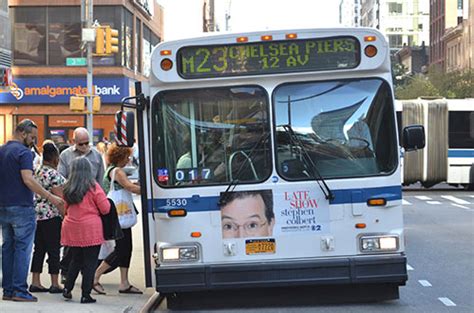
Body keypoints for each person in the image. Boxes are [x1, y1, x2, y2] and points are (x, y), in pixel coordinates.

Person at [0, 119, 64, 302]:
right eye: (33, 137)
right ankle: (20, 290)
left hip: (3, 207)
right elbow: (28, 179)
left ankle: (8, 290)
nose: (34, 142)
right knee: (23, 249)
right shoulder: (23, 153)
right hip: (22, 207)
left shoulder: (2, 150)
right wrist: (51, 197)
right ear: (22, 133)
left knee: (8, 247)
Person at [93, 143, 142, 295]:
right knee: (122, 249)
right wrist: (152, 189)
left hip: (118, 214)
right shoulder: (118, 171)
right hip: (119, 215)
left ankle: (124, 282)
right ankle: (94, 277)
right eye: (127, 156)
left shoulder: (111, 170)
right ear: (120, 157)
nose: (128, 159)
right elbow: (130, 187)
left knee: (126, 248)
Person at [58, 127, 105, 282]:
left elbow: (100, 180)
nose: (84, 147)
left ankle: (84, 277)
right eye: (81, 144)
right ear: (73, 142)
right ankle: (66, 274)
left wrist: (97, 196)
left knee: (87, 249)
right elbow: (61, 178)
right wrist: (73, 191)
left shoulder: (96, 156)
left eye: (87, 143)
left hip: (91, 202)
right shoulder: (66, 156)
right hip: (73, 200)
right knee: (71, 247)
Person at [61, 157, 110, 304]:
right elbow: (105, 209)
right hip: (90, 228)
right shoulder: (93, 187)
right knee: (90, 262)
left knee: (75, 259)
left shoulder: (67, 187)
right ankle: (85, 294)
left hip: (72, 226)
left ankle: (67, 288)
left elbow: (65, 208)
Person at [29, 142, 66, 294]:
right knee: (53, 250)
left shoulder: (36, 171)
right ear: (56, 158)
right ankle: (55, 283)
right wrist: (65, 217)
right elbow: (59, 199)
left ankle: (35, 281)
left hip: (37, 216)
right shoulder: (54, 175)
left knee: (38, 249)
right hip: (52, 217)